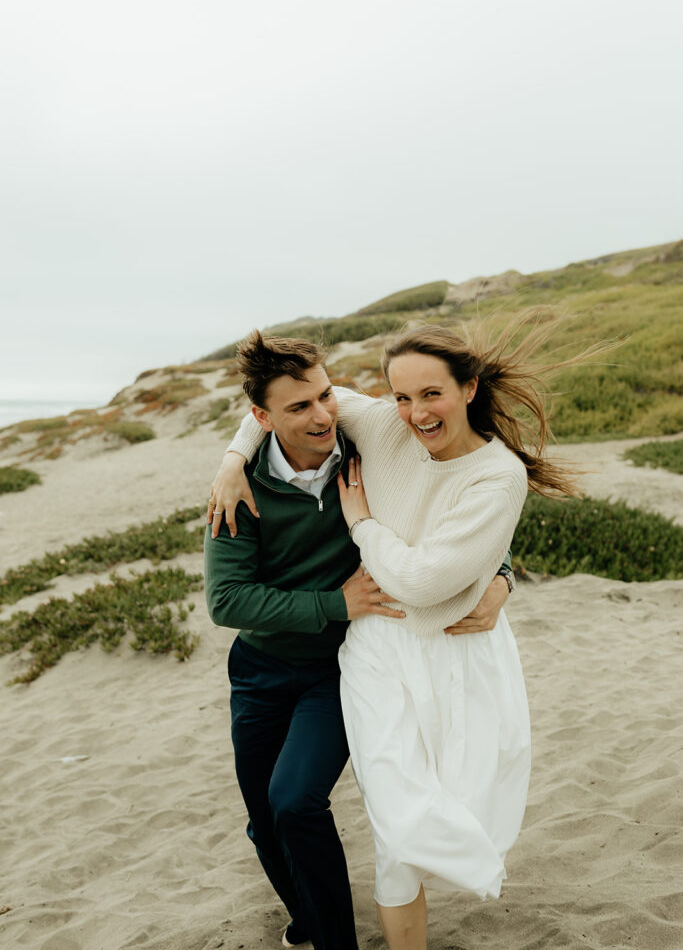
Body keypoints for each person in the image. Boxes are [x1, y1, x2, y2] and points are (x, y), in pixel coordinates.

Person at [213, 315, 586, 950]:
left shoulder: (459, 466)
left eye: (430, 393)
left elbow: (428, 566)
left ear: (469, 387)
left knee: (383, 807)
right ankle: (335, 926)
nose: (414, 413)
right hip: (321, 658)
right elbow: (289, 405)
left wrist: (495, 574)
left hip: (403, 659)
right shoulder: (340, 440)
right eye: (402, 396)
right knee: (328, 822)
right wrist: (231, 459)